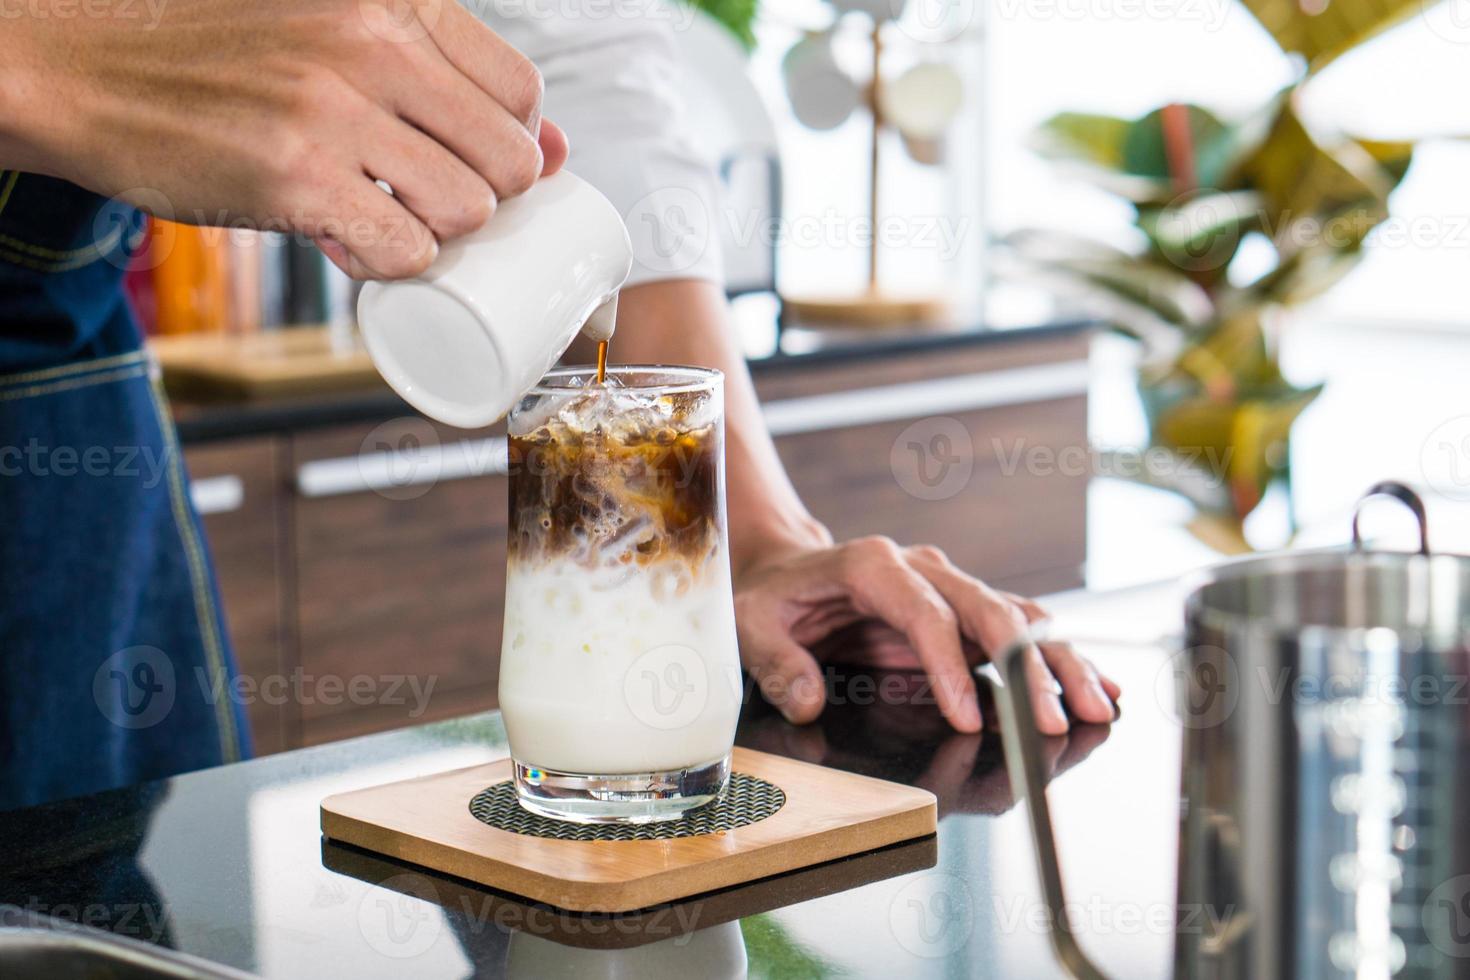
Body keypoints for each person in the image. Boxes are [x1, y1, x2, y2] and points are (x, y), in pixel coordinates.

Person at [0, 0, 1117, 811]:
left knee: (89, 881)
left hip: (44, 373)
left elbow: (575, 44)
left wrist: (762, 541)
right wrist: (48, 60)